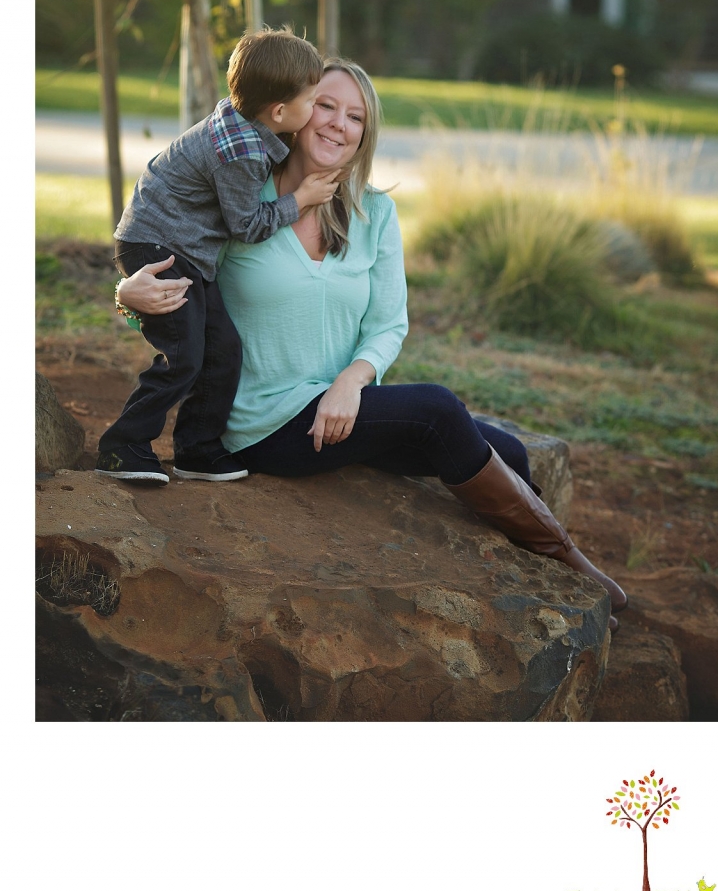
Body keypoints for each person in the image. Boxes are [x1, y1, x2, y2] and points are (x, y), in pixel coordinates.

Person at [116, 57, 627, 627]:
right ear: (292, 112)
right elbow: (167, 268)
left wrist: (350, 383)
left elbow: (388, 324)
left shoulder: (374, 212)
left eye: (354, 116)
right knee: (435, 408)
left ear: (366, 133)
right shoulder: (240, 197)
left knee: (509, 452)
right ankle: (569, 565)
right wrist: (127, 295)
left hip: (336, 413)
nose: (337, 124)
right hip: (260, 421)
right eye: (325, 106)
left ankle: (541, 592)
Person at [96, 26, 346, 485]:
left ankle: (197, 449)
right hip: (160, 247)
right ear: (279, 111)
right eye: (312, 102)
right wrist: (302, 198)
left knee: (224, 350)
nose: (314, 112)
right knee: (184, 354)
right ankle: (122, 445)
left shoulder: (245, 121)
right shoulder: (242, 153)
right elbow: (246, 225)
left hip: (186, 249)